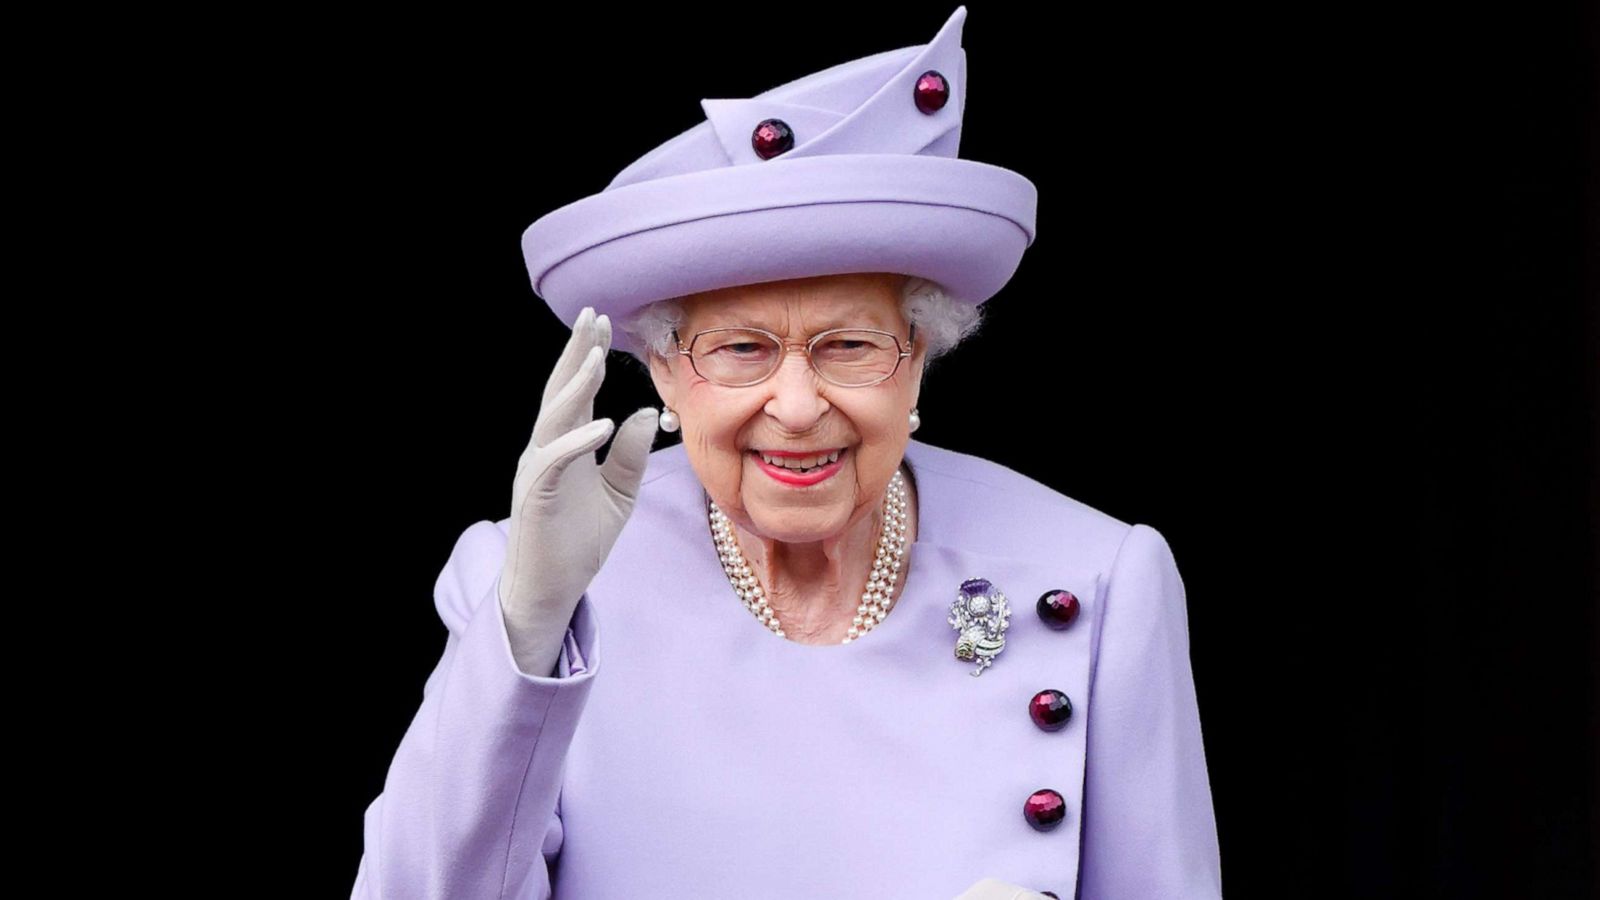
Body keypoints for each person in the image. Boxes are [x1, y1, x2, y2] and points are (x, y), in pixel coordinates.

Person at [350, 7, 1222, 898]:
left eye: (850, 345)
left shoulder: (1099, 576)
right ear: (664, 370)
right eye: (741, 350)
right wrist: (529, 628)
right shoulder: (535, 584)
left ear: (918, 357)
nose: (799, 407)